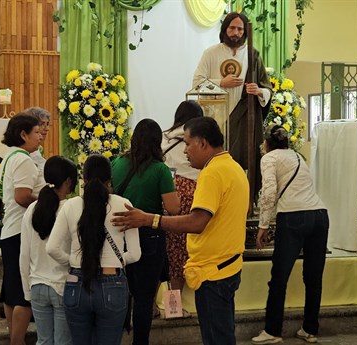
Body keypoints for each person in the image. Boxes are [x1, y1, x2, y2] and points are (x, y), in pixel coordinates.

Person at [112, 117, 249, 345]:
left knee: (217, 337)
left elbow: (196, 222)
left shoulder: (212, 173)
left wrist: (149, 219)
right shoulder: (233, 167)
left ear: (203, 143)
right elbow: (177, 208)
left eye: (187, 143)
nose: (184, 151)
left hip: (213, 270)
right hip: (227, 265)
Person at [46, 154, 141, 345]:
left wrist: (73, 261)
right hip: (112, 283)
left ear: (83, 179)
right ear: (109, 180)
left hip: (76, 282)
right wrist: (116, 260)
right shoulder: (124, 204)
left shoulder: (70, 206)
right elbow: (135, 254)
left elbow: (52, 248)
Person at [250, 125, 329, 344]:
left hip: (293, 218)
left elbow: (268, 192)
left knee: (279, 277)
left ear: (267, 143)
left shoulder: (269, 158)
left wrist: (263, 226)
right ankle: (310, 329)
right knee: (314, 277)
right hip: (320, 215)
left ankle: (273, 331)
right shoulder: (297, 156)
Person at [111, 118, 180, 344]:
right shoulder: (160, 170)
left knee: (122, 292)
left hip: (119, 235)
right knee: (144, 298)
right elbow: (174, 208)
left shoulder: (117, 164)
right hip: (149, 235)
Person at [192, 12, 272, 171]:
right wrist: (221, 82)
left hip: (243, 118)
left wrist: (258, 91)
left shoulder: (252, 55)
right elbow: (197, 84)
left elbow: (267, 88)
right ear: (224, 29)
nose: (236, 33)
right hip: (216, 116)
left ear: (245, 32)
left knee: (240, 166)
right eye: (232, 28)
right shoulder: (211, 53)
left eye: (240, 29)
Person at [0, 113, 43, 345]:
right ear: (23, 135)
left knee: (11, 290)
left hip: (10, 229)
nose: (40, 136)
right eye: (36, 132)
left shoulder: (9, 157)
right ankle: (17, 341)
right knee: (23, 293)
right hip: (21, 231)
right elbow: (22, 196)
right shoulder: (23, 159)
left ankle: (14, 336)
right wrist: (47, 202)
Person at [20, 156, 78, 345]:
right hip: (62, 286)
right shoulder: (70, 208)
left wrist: (27, 290)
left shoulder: (31, 209)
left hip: (37, 286)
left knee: (43, 341)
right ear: (69, 182)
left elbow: (24, 255)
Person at [161, 100, 203, 299]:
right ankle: (179, 303)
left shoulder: (164, 138)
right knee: (191, 248)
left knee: (173, 250)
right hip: (196, 194)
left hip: (170, 193)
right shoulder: (197, 139)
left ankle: (172, 304)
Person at [24, 106, 51, 172]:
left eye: (47, 124)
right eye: (42, 124)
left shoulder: (39, 148)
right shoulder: (24, 150)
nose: (47, 129)